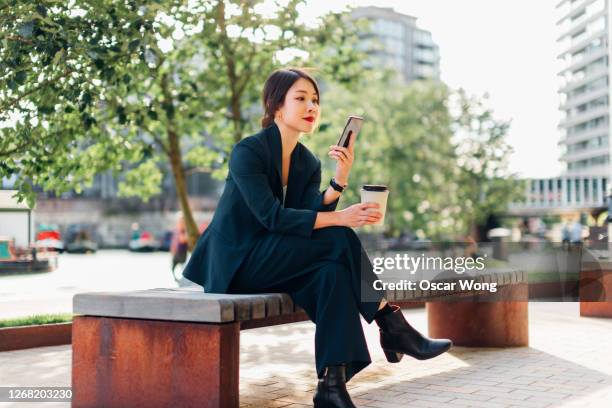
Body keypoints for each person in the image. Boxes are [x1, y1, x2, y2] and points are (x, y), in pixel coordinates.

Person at [182, 68, 451, 407]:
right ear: (276, 105)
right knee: (339, 236)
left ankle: (331, 384)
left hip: (276, 256)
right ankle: (391, 324)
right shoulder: (248, 151)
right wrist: (341, 217)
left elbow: (306, 210)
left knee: (332, 274)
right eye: (300, 98)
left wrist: (340, 179)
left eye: (315, 100)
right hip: (237, 262)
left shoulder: (306, 161)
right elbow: (273, 217)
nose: (311, 106)